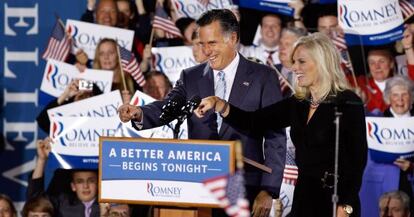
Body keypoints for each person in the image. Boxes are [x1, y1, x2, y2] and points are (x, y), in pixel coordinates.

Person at [118, 9, 286, 217]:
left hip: (246, 187)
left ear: (232, 38)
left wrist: (268, 189)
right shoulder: (191, 76)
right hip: (200, 187)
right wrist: (139, 113)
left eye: (212, 43)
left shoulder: (263, 77)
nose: (206, 51)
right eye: (202, 43)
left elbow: (275, 138)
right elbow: (169, 107)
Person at [194, 33, 367, 217]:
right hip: (304, 198)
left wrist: (346, 205)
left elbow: (357, 160)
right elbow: (253, 121)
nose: (294, 68)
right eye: (294, 61)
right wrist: (219, 104)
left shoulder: (348, 102)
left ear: (321, 63)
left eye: (301, 62)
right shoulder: (298, 103)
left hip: (335, 201)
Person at [360, 76, 414, 217]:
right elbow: (361, 116)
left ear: (412, 97)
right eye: (395, 95)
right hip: (381, 188)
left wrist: (412, 167)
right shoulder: (377, 118)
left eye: (404, 95)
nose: (400, 100)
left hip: (410, 187)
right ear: (388, 99)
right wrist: (361, 103)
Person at [27, 138, 99, 217]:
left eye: (91, 181)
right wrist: (42, 159)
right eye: (80, 181)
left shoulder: (107, 206)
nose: (85, 186)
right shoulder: (63, 204)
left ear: (98, 184)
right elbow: (35, 199)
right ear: (73, 186)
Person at [357, 48, 395, 114]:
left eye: (381, 61)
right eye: (372, 63)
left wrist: (408, 48)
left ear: (391, 64)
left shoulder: (401, 85)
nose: (377, 66)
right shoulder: (361, 83)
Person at [277, 27, 308, 98]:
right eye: (281, 43)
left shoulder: (310, 74)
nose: (282, 48)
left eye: (287, 44)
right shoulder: (271, 71)